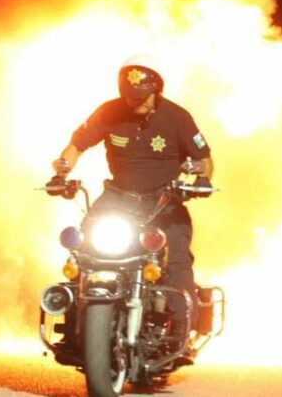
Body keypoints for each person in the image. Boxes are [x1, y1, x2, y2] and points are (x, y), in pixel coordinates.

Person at [50, 54, 214, 360]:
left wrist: (202, 179)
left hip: (165, 200)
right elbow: (78, 144)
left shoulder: (178, 117)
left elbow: (204, 159)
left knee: (176, 261)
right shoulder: (109, 111)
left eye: (139, 96)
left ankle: (180, 340)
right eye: (128, 94)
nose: (132, 102)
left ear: (156, 91)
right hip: (118, 196)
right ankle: (74, 328)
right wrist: (62, 171)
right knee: (84, 248)